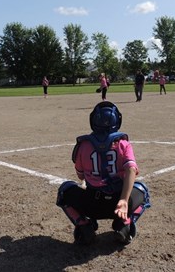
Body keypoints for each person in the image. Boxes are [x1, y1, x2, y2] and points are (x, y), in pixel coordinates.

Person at [56, 101, 150, 245]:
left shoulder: (83, 145)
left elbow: (80, 176)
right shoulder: (123, 143)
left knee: (65, 190)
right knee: (143, 190)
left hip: (91, 205)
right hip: (118, 205)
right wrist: (123, 200)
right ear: (117, 121)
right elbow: (131, 169)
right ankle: (124, 223)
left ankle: (83, 225)